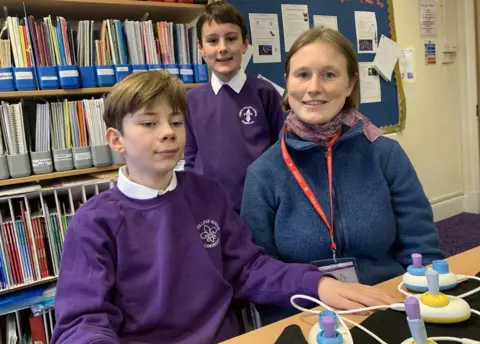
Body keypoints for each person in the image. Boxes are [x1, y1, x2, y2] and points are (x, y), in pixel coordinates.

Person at [51, 71, 397, 344]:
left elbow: (248, 269)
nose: (168, 132)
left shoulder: (206, 194)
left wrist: (317, 284)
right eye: (149, 123)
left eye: (175, 121)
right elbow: (83, 321)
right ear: (116, 140)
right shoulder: (94, 221)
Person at [240, 27, 445, 325]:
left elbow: (422, 247)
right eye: (302, 74)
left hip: (386, 305)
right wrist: (312, 293)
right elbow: (256, 270)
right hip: (306, 314)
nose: (313, 88)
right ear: (287, 82)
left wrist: (414, 309)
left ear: (350, 84)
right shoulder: (263, 174)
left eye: (329, 75)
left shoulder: (385, 155)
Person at [185, 1, 285, 213]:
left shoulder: (264, 93)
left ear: (245, 43)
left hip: (259, 204)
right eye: (212, 41)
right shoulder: (192, 100)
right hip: (209, 206)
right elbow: (190, 155)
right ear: (201, 49)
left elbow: (280, 148)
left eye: (231, 38)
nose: (222, 48)